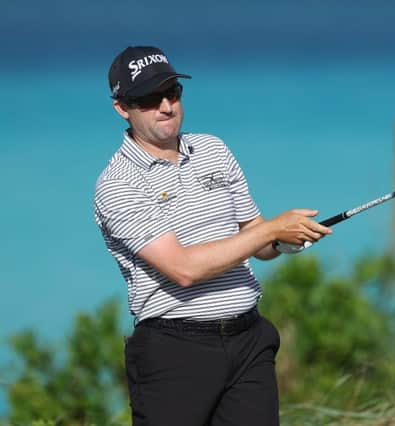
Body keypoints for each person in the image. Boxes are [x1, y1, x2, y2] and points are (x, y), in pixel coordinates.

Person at [94, 46, 332, 425]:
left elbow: (256, 239)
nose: (166, 106)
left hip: (249, 338)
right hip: (174, 351)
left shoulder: (213, 150)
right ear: (122, 108)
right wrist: (271, 229)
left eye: (172, 92)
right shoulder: (118, 184)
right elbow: (183, 268)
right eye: (149, 99)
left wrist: (284, 239)